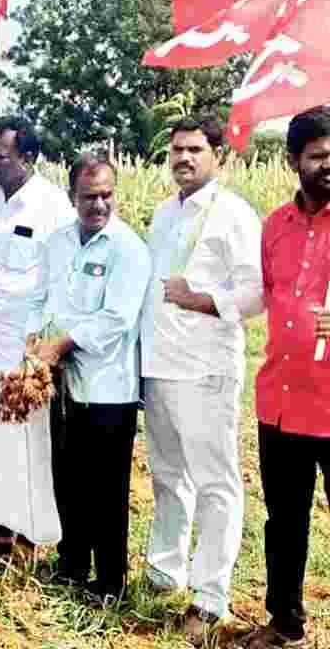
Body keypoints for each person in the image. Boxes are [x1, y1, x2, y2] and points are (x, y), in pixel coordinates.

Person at [139, 115, 263, 643]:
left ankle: (210, 597)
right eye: (177, 150)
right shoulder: (164, 213)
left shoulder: (234, 214)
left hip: (206, 368)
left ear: (219, 155)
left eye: (195, 149)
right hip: (159, 366)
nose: (184, 158)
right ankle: (165, 571)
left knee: (215, 483)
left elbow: (257, 293)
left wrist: (200, 300)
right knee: (168, 475)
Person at [31, 155, 151, 600]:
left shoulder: (128, 248)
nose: (99, 205)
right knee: (67, 477)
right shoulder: (57, 242)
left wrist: (61, 345)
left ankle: (110, 581)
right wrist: (36, 340)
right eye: (89, 197)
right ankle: (72, 563)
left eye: (106, 195)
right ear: (72, 198)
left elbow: (117, 318)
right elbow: (40, 298)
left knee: (107, 488)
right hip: (62, 383)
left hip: (108, 387)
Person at [0, 116, 74, 553]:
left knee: (27, 444)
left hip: (21, 352)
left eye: (0, 157)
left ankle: (29, 535)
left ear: (27, 158)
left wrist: (44, 346)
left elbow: (63, 280)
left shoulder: (52, 206)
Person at [242, 107, 330, 649]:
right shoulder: (275, 226)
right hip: (281, 398)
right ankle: (284, 623)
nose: (329, 165)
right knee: (285, 521)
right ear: (293, 159)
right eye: (318, 156)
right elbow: (266, 294)